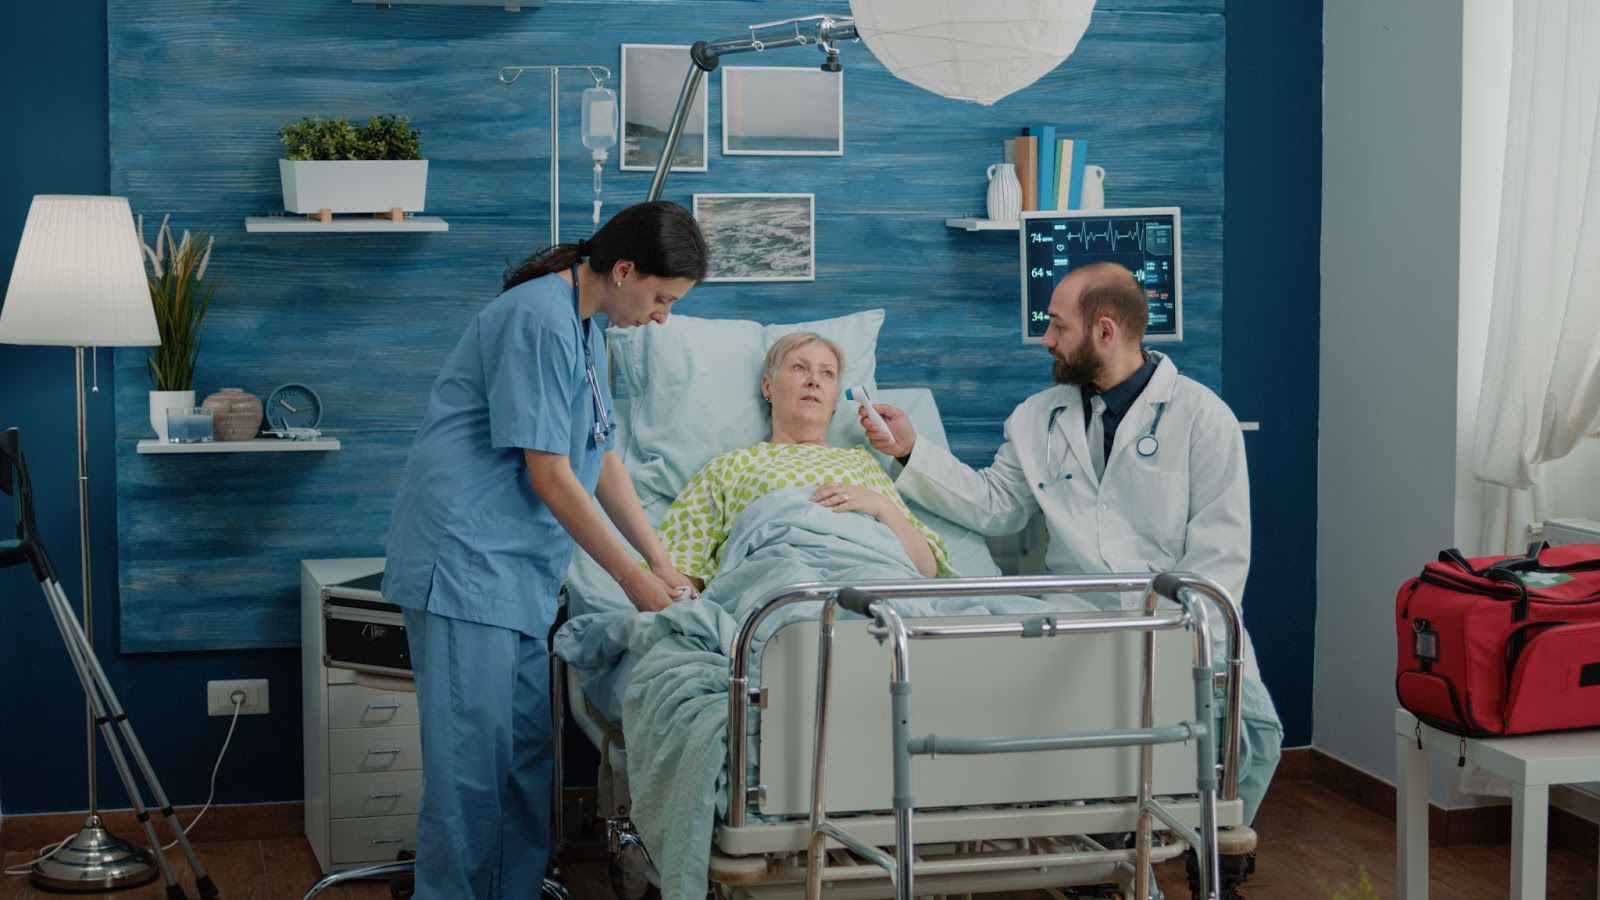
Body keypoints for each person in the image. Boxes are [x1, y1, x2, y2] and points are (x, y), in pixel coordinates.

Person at [858, 262, 1281, 900]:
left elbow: (1219, 561)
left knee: (1256, 732)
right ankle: (1099, 846)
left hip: (1173, 624)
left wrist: (1178, 643)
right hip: (1074, 616)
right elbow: (996, 504)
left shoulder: (1203, 419)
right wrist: (909, 451)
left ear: (1104, 331)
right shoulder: (1037, 416)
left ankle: (1207, 841)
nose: (1046, 340)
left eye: (1057, 326)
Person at [381, 200, 709, 900]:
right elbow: (551, 474)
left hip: (516, 575)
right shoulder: (537, 318)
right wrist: (630, 582)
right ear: (623, 270)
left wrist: (659, 561)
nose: (661, 317)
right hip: (466, 564)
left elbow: (603, 456)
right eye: (660, 298)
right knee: (472, 772)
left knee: (524, 763)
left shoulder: (586, 328)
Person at [655, 331, 955, 589]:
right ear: (768, 387)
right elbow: (678, 570)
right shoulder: (728, 467)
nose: (814, 381)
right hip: (777, 582)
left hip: (869, 581)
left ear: (836, 397)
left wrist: (881, 506)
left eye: (827, 374)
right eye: (799, 368)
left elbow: (925, 569)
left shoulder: (861, 465)